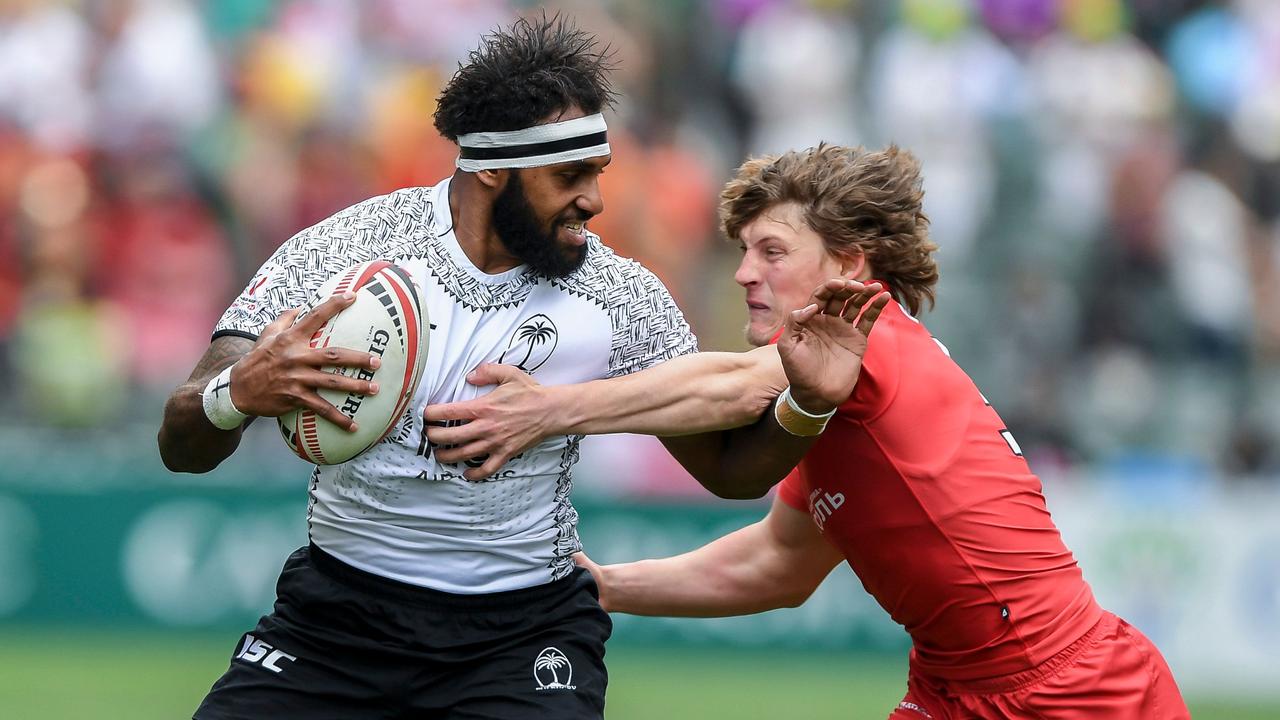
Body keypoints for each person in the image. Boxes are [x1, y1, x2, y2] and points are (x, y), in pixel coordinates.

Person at [157, 16, 885, 720]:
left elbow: (730, 472)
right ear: (494, 174)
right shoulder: (345, 251)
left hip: (521, 637)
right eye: (570, 175)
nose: (593, 202)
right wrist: (238, 392)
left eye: (599, 173)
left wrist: (807, 406)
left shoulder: (621, 296)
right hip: (334, 623)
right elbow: (181, 440)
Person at [424, 144, 1191, 719]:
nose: (744, 274)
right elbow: (777, 565)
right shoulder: (823, 406)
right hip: (956, 687)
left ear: (850, 266)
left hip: (1074, 690)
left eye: (773, 252)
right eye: (743, 252)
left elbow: (724, 386)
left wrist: (550, 409)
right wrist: (603, 587)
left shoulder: (871, 336)